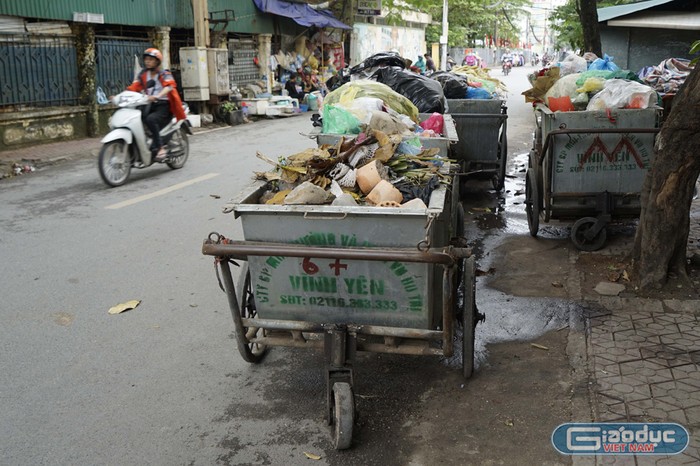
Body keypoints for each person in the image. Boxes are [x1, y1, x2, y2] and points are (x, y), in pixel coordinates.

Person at [118, 48, 186, 162]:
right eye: (146, 59)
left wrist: (158, 96)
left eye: (151, 60)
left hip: (164, 105)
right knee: (136, 119)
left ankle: (160, 148)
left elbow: (169, 86)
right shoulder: (143, 74)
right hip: (149, 103)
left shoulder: (164, 73)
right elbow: (134, 87)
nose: (147, 62)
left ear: (157, 61)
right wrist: (119, 96)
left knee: (151, 119)